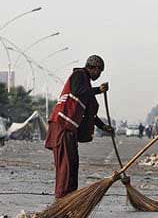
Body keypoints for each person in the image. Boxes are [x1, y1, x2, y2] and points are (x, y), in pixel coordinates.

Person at [45, 55, 114, 199]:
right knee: (65, 168)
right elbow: (77, 90)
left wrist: (104, 127)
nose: (99, 75)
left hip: (70, 130)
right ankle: (61, 203)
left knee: (73, 166)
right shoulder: (79, 75)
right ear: (93, 68)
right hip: (61, 126)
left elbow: (90, 114)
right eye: (99, 71)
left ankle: (69, 200)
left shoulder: (86, 86)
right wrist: (98, 90)